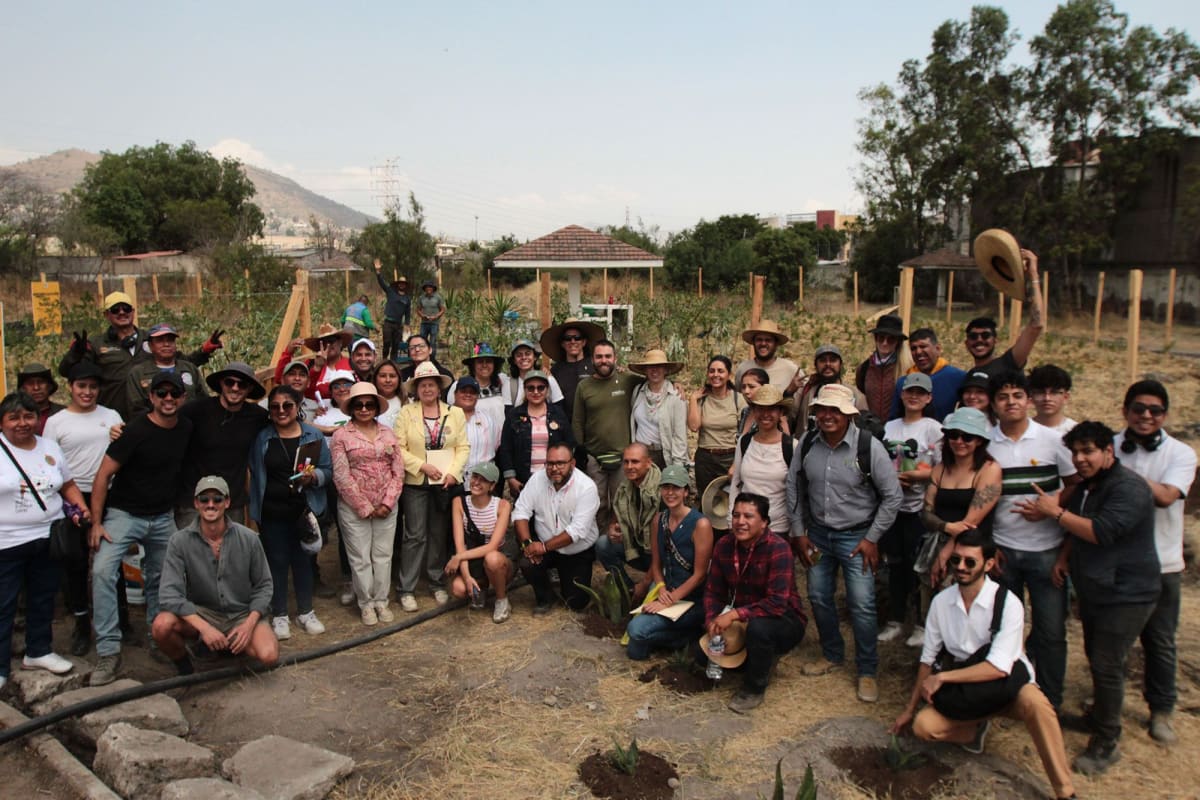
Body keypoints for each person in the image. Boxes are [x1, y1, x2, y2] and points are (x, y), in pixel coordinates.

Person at [889, 530, 1076, 800]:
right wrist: (909, 709)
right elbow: (927, 659)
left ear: (988, 564)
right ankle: (972, 729)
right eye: (956, 560)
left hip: (1006, 685)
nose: (961, 567)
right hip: (969, 691)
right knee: (924, 726)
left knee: (1038, 706)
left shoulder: (1008, 603)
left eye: (970, 562)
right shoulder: (941, 603)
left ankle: (1065, 790)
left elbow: (998, 667)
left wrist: (944, 678)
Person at [1028, 421, 1159, 776]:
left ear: (1108, 451)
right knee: (1097, 657)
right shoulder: (1090, 485)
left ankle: (1106, 741)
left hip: (1128, 592)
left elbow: (1101, 531)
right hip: (1097, 588)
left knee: (1106, 663)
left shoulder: (1128, 488)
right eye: (1075, 453)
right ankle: (1099, 717)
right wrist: (1064, 558)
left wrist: (1054, 512)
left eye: (1088, 451)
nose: (1080, 459)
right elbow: (1079, 524)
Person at [786, 383, 902, 703]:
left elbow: (893, 496)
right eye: (822, 409)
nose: (827, 416)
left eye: (835, 410)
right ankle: (832, 653)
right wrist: (798, 531)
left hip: (857, 537)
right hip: (818, 535)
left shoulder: (868, 447)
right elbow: (793, 485)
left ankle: (867, 669)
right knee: (818, 596)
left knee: (862, 604)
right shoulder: (807, 443)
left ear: (848, 414)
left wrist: (872, 538)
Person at [88, 371, 194, 686]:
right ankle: (108, 651)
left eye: (174, 394)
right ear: (151, 397)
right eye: (161, 393)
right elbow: (103, 475)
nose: (168, 399)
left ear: (183, 398)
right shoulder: (134, 431)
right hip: (124, 514)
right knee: (102, 572)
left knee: (162, 578)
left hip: (162, 516)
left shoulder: (186, 428)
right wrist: (96, 523)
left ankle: (158, 637)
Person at [987, 370, 1077, 712]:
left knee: (1050, 632)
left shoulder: (1054, 440)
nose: (1011, 403)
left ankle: (1050, 701)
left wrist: (1052, 507)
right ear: (993, 404)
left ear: (1028, 400)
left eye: (1017, 396)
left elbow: (1076, 483)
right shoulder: (987, 443)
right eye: (1003, 397)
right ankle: (1006, 694)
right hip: (1004, 550)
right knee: (1002, 629)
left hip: (1046, 551)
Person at [1113, 380, 1196, 745]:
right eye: (1138, 408)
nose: (1146, 416)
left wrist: (1114, 472)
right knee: (1110, 640)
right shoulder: (1110, 446)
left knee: (1160, 641)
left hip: (1163, 563)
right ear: (1125, 411)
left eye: (1155, 410)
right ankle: (1107, 704)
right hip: (1117, 562)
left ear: (1165, 415)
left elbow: (1166, 496)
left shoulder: (1181, 454)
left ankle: (1161, 709)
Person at [0, 391, 89, 692]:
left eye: (29, 416)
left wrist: (81, 507)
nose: (22, 423)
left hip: (47, 536)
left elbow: (67, 484)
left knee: (43, 597)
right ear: (2, 422)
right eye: (14, 417)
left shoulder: (49, 447)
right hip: (6, 541)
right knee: (4, 604)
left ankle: (38, 651)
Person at [153, 476, 279, 675]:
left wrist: (248, 625)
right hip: (203, 612)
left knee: (269, 655)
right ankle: (187, 669)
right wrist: (205, 628)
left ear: (227, 502)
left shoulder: (249, 539)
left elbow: (264, 585)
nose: (210, 504)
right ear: (196, 503)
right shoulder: (179, 541)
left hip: (241, 613)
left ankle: (231, 649)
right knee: (161, 626)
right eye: (204, 499)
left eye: (217, 499)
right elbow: (169, 594)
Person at [43, 362, 124, 655]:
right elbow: (48, 462)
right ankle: (80, 622)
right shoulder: (57, 422)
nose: (87, 392)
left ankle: (121, 619)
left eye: (92, 387)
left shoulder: (111, 416)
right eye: (81, 386)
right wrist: (72, 503)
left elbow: (123, 450)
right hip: (71, 496)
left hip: (110, 493)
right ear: (70, 387)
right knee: (75, 561)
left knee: (111, 558)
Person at [701, 493, 806, 713]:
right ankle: (750, 657)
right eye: (736, 515)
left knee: (759, 630)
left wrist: (733, 615)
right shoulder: (724, 545)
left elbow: (776, 603)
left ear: (764, 522)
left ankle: (754, 688)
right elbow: (713, 592)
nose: (740, 522)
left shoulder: (779, 548)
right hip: (743, 616)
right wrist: (712, 620)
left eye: (748, 516)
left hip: (782, 618)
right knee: (704, 633)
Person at [58, 290, 220, 420]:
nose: (122, 312)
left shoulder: (151, 339)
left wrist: (204, 351)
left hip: (149, 413)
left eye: (126, 308)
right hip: (113, 414)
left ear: (133, 312)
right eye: (115, 309)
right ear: (107, 315)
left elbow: (180, 364)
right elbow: (69, 372)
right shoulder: (97, 344)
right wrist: (75, 355)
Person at [249, 385, 331, 641]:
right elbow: (254, 471)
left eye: (287, 405)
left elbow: (328, 470)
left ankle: (306, 611)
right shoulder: (263, 438)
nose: (281, 411)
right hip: (272, 511)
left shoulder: (313, 435)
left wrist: (314, 477)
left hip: (303, 509)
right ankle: (280, 614)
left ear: (297, 407)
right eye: (275, 407)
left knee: (304, 560)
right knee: (276, 562)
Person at [395, 362, 469, 612]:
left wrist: (453, 473)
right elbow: (398, 448)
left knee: (438, 532)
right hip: (416, 482)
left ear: (439, 388)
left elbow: (463, 447)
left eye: (431, 385)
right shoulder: (406, 413)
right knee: (415, 535)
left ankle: (436, 581)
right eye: (423, 385)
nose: (427, 389)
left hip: (443, 483)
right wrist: (422, 466)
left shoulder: (454, 413)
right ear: (416, 389)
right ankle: (407, 588)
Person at [331, 383, 405, 626]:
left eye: (369, 404)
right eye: (359, 404)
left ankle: (382, 601)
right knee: (360, 557)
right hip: (354, 508)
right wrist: (364, 506)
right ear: (352, 407)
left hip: (386, 505)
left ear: (376, 407)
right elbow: (341, 475)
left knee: (383, 555)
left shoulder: (388, 433)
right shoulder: (341, 436)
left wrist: (387, 502)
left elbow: (398, 471)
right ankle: (366, 603)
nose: (364, 409)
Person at [878, 373, 942, 646]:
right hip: (893, 508)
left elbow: (943, 467)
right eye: (909, 391)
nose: (914, 397)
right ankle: (895, 619)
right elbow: (879, 461)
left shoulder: (933, 429)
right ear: (902, 395)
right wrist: (891, 479)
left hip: (919, 509)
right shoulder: (890, 427)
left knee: (919, 568)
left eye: (920, 393)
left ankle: (921, 624)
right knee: (895, 566)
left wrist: (918, 476)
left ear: (928, 398)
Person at [625, 464, 712, 660]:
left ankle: (686, 635)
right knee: (634, 650)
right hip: (667, 591)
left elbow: (700, 575)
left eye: (676, 488)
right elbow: (656, 564)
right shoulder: (659, 520)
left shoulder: (701, 524)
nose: (670, 493)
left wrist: (669, 600)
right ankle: (680, 637)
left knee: (636, 631)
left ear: (686, 491)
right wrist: (662, 589)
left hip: (692, 599)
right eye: (666, 487)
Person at [919, 408, 1002, 609]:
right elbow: (926, 512)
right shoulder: (940, 470)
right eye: (953, 435)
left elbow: (971, 521)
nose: (959, 441)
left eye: (967, 437)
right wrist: (946, 527)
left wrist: (946, 553)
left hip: (972, 553)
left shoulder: (989, 470)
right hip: (936, 544)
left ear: (979, 441)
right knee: (936, 607)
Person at [177, 362, 268, 528]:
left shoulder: (257, 416)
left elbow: (287, 422)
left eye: (242, 384)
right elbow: (164, 422)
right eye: (229, 382)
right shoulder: (196, 411)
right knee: (190, 545)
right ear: (221, 383)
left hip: (232, 501)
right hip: (194, 500)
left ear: (249, 389)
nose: (235, 388)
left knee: (232, 545)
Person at [514, 442, 600, 614]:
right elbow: (520, 512)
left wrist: (543, 547)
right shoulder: (537, 479)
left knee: (576, 603)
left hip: (577, 550)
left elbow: (577, 531)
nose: (554, 469)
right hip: (546, 546)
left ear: (572, 463)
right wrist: (528, 544)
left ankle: (566, 580)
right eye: (550, 463)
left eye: (560, 463)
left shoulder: (586, 487)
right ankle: (546, 597)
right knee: (527, 562)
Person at [572, 339, 643, 528]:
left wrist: (676, 385)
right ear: (592, 360)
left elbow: (654, 380)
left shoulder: (627, 380)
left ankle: (621, 541)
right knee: (597, 504)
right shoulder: (584, 386)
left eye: (608, 356)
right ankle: (599, 540)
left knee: (621, 504)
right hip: (594, 457)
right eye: (599, 357)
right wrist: (582, 453)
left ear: (615, 358)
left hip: (623, 457)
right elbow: (577, 421)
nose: (604, 360)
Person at [445, 461, 516, 623]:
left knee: (492, 558)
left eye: (483, 480)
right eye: (475, 477)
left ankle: (501, 599)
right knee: (458, 589)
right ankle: (480, 589)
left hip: (497, 559)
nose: (476, 482)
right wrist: (466, 577)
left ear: (492, 485)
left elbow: (492, 546)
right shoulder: (459, 502)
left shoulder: (502, 506)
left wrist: (458, 557)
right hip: (473, 559)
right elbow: (460, 545)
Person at [963, 249, 1044, 380]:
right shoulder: (969, 377)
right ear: (966, 343)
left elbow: (1037, 325)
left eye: (985, 335)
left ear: (995, 340)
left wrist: (1033, 275)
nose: (979, 340)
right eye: (973, 336)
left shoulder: (1009, 363)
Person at [497, 371, 576, 498]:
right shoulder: (514, 415)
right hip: (524, 479)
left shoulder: (558, 414)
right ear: (525, 390)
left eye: (540, 388)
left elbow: (569, 443)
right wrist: (510, 477)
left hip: (554, 477)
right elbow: (506, 448)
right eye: (531, 388)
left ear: (547, 390)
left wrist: (566, 471)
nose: (536, 392)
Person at [597, 443, 662, 594]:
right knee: (603, 544)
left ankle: (646, 587)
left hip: (661, 556)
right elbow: (617, 515)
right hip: (637, 549)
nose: (629, 466)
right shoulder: (625, 488)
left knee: (654, 592)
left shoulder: (662, 490)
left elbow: (665, 548)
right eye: (626, 462)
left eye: (635, 461)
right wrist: (613, 527)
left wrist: (645, 583)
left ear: (648, 463)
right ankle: (628, 590)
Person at [729, 385, 795, 530]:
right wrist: (731, 519)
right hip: (745, 526)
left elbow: (796, 490)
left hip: (777, 526)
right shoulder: (745, 442)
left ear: (780, 412)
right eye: (760, 408)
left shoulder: (791, 446)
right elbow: (736, 484)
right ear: (754, 411)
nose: (765, 414)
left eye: (771, 409)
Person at [688, 355, 745, 501]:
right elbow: (693, 426)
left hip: (730, 457)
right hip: (706, 458)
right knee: (706, 501)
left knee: (732, 500)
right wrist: (693, 399)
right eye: (712, 371)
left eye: (720, 371)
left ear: (729, 375)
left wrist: (737, 463)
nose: (716, 375)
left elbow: (746, 433)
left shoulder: (738, 399)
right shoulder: (702, 399)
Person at [125, 324, 206, 416]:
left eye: (170, 340)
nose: (166, 344)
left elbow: (203, 401)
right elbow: (136, 408)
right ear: (150, 345)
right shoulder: (138, 373)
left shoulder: (190, 368)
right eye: (160, 341)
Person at [628, 349, 688, 469]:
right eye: (650, 367)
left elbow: (679, 435)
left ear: (665, 370)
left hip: (664, 454)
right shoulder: (638, 391)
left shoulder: (675, 396)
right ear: (645, 370)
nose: (654, 370)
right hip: (641, 452)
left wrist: (678, 466)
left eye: (659, 366)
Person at [889, 328, 965, 421]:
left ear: (938, 349)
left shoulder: (956, 377)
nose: (918, 352)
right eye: (913, 348)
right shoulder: (903, 382)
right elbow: (895, 416)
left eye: (923, 346)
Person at [541, 318, 604, 422]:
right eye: (568, 338)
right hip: (567, 424)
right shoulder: (556, 370)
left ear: (584, 342)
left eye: (577, 338)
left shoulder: (595, 365)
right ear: (562, 343)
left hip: (593, 423)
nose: (573, 341)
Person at [790, 345, 865, 432]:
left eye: (833, 360)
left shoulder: (854, 394)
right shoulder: (806, 390)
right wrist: (789, 392)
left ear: (840, 365)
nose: (828, 364)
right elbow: (790, 418)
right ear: (816, 365)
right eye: (823, 360)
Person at [855, 313, 906, 420]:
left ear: (898, 341)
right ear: (875, 338)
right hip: (871, 428)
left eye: (891, 339)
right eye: (881, 338)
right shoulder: (864, 369)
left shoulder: (906, 369)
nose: (884, 343)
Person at [451, 343, 510, 435]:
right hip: (470, 438)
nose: (484, 365)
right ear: (473, 365)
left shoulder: (502, 382)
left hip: (500, 438)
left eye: (488, 361)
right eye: (480, 361)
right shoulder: (459, 386)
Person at [734, 320, 802, 395]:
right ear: (753, 342)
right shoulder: (743, 369)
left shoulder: (790, 369)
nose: (763, 343)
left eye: (768, 340)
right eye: (759, 340)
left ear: (776, 344)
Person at [454, 377, 499, 483]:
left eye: (472, 392)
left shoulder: (488, 419)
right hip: (453, 480)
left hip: (481, 481)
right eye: (463, 391)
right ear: (455, 394)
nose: (468, 395)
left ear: (478, 396)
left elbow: (496, 446)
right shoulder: (444, 417)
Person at [507, 339, 564, 407]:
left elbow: (559, 407)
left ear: (535, 357)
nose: (524, 357)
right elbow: (508, 411)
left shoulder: (549, 379)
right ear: (514, 360)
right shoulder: (509, 384)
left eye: (528, 354)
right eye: (519, 355)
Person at [373, 259, 411, 361]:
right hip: (388, 323)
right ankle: (384, 360)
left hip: (398, 325)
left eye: (403, 284)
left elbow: (408, 313)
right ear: (398, 284)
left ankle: (393, 362)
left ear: (405, 285)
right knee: (386, 342)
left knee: (396, 344)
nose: (402, 285)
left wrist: (407, 325)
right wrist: (378, 271)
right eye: (400, 283)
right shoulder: (391, 292)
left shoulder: (407, 298)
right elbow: (382, 283)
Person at [16, 363, 65, 435]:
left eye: (41, 382)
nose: (36, 387)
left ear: (49, 386)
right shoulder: (14, 415)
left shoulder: (63, 413)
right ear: (23, 389)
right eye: (30, 383)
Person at [1029, 365, 1076, 434]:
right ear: (1031, 396)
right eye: (1040, 392)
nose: (1047, 398)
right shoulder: (1021, 430)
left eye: (1054, 392)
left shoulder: (1075, 432)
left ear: (1066, 397)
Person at [735, 367, 768, 437]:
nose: (746, 391)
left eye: (752, 387)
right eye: (743, 387)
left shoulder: (771, 413)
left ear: (764, 388)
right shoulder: (745, 411)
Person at [416, 279, 446, 354]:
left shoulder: (438, 297)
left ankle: (432, 358)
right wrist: (422, 315)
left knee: (433, 342)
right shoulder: (421, 298)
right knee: (422, 341)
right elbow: (418, 310)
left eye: (430, 287)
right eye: (427, 287)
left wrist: (436, 316)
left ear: (433, 288)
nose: (428, 288)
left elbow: (442, 309)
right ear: (424, 288)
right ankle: (423, 356)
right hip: (424, 323)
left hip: (434, 323)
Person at [373, 360, 404, 431]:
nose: (388, 380)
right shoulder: (367, 404)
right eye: (383, 376)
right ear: (375, 378)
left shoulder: (407, 402)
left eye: (392, 376)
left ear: (399, 379)